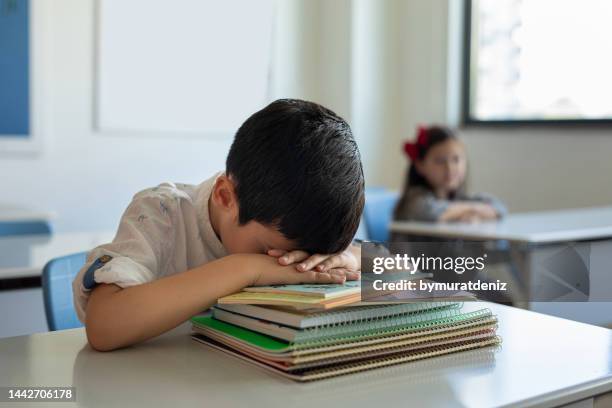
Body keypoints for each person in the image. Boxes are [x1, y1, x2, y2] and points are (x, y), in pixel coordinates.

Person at [73, 99, 364, 351]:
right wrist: (245, 268)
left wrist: (350, 257)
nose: (284, 266)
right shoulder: (161, 214)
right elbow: (103, 326)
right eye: (269, 252)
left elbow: (409, 269)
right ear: (225, 196)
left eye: (305, 259)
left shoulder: (307, 230)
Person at [393, 125, 506, 223]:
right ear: (420, 165)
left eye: (456, 160)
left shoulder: (459, 198)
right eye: (440, 161)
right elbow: (431, 214)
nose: (450, 168)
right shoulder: (413, 201)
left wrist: (466, 212)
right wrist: (475, 210)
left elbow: (499, 208)